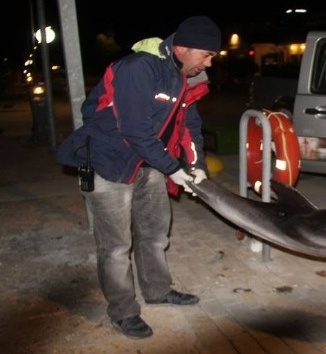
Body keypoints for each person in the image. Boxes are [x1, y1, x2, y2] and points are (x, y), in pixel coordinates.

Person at [56, 16, 222, 339]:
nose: (210, 63)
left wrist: (196, 163)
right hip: (109, 164)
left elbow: (191, 125)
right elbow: (134, 130)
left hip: (148, 163)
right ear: (183, 47)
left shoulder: (187, 75)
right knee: (116, 247)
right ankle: (122, 311)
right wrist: (173, 168)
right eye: (206, 54)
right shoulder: (138, 69)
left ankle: (158, 290)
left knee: (156, 232)